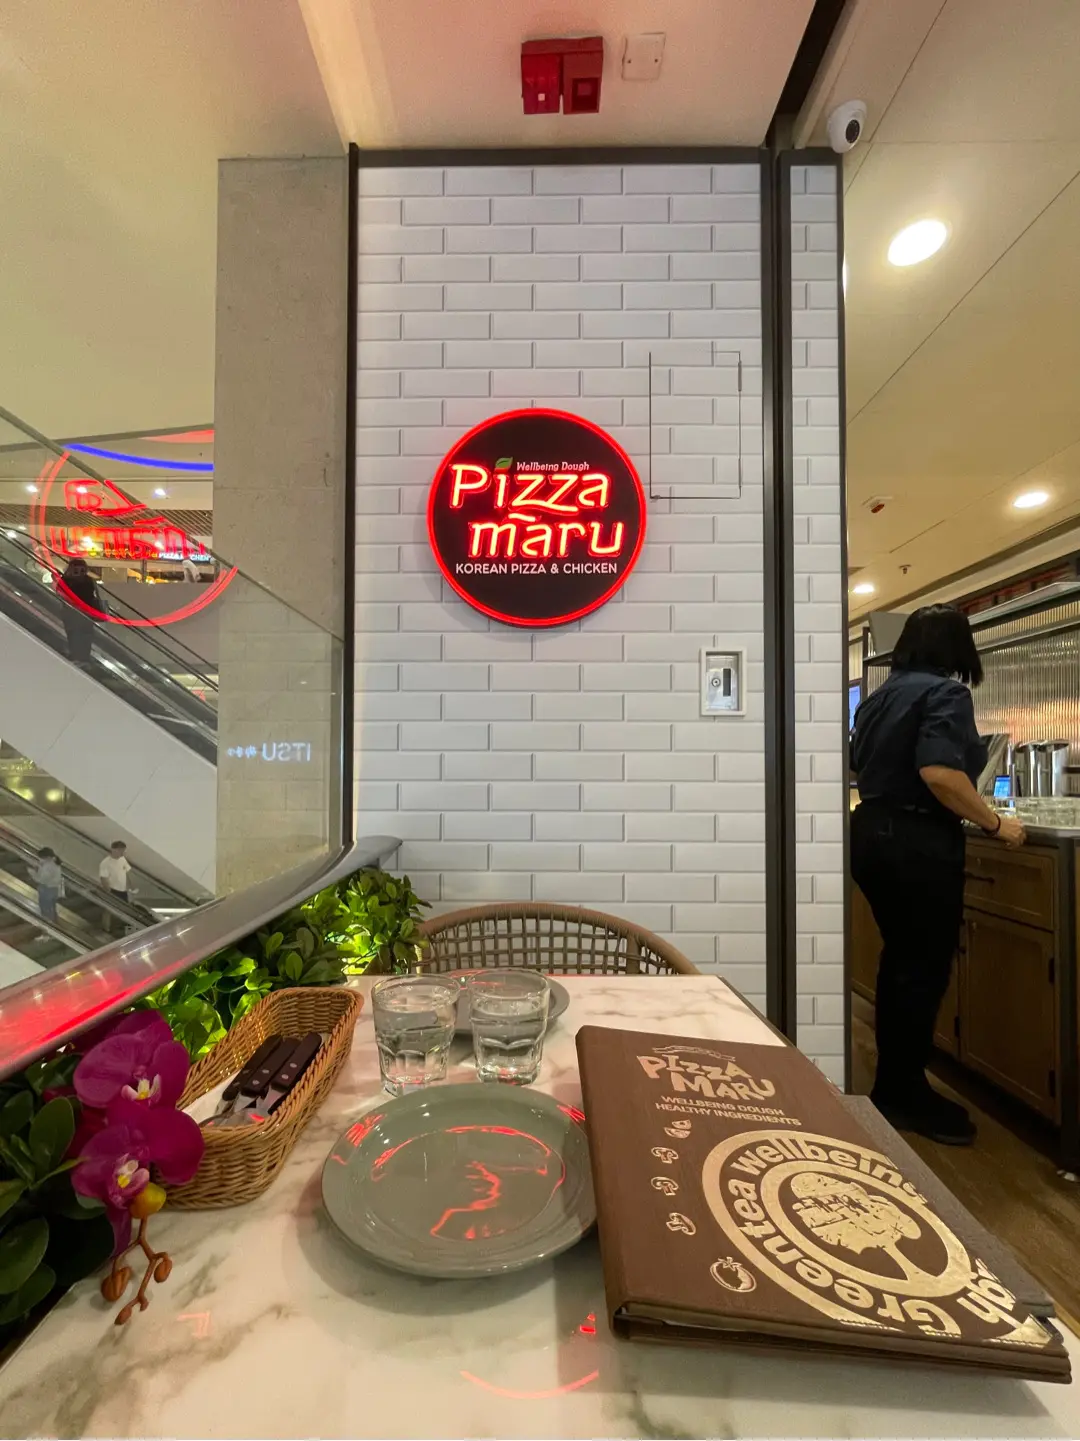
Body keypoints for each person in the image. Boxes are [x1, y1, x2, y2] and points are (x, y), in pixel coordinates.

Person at [850, 604, 1026, 1147]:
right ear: (956, 647)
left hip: (871, 833)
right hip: (916, 841)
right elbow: (941, 774)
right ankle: (903, 1094)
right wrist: (996, 824)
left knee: (902, 962)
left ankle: (894, 1084)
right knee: (921, 968)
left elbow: (858, 764)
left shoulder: (878, 697)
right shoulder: (946, 693)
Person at [59, 557, 103, 666]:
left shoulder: (86, 580)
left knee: (85, 635)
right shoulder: (67, 580)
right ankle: (79, 657)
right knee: (75, 634)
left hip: (83, 613)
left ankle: (83, 657)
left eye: (82, 570)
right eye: (76, 570)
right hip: (74, 613)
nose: (79, 573)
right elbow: (61, 594)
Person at [98, 840, 132, 921]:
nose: (122, 853)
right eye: (121, 850)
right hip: (113, 890)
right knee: (108, 910)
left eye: (123, 850)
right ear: (114, 850)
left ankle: (121, 924)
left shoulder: (122, 859)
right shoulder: (105, 863)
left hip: (123, 890)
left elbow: (126, 872)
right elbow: (103, 878)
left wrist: (129, 887)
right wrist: (108, 892)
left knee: (125, 910)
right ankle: (105, 927)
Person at [33, 847, 63, 924]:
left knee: (46, 910)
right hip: (54, 889)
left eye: (42, 857)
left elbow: (43, 879)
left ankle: (48, 926)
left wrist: (35, 872)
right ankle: (55, 925)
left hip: (47, 889)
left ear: (47, 857)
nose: (40, 859)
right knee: (52, 909)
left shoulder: (48, 865)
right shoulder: (56, 863)